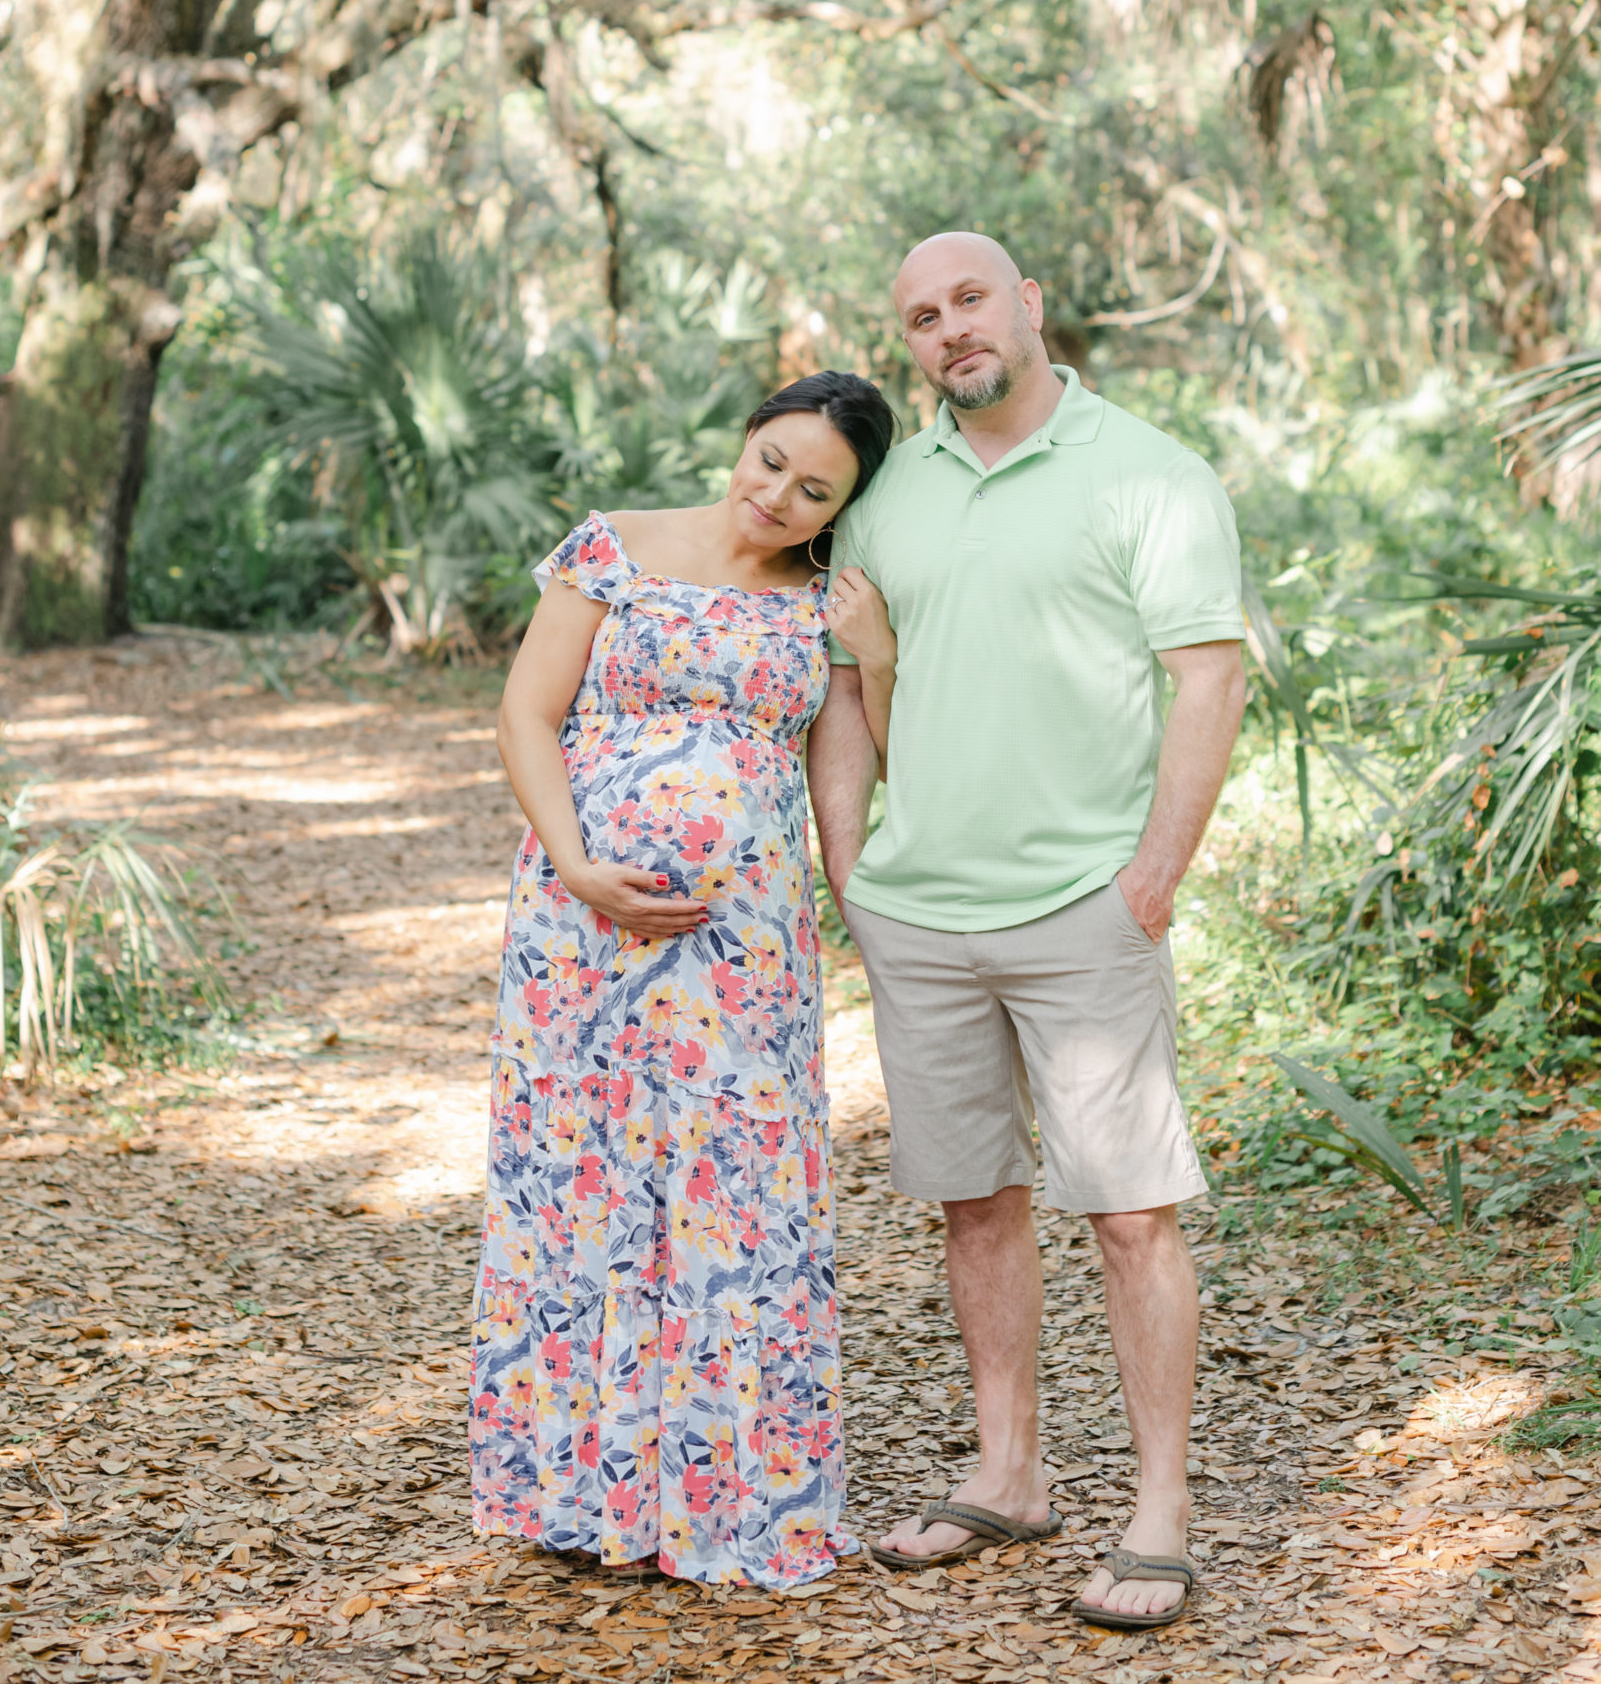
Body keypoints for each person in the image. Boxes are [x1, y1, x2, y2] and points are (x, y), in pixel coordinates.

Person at [816, 233, 1245, 1634]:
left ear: (1031, 305)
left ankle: (1160, 1510)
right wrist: (851, 878)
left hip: (1083, 908)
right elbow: (845, 699)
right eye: (920, 317)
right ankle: (1008, 1472)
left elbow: (1204, 679)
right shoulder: (883, 502)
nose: (949, 331)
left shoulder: (1151, 476)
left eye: (970, 301)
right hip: (920, 912)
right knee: (974, 1202)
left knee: (1127, 1213)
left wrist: (1153, 874)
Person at [472, 371, 897, 1590]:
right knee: (582, 1179)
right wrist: (579, 866)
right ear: (745, 440)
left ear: (839, 509)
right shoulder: (612, 546)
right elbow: (524, 712)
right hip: (579, 931)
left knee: (732, 1191)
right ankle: (579, 1489)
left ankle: (733, 1496)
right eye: (770, 460)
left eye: (813, 490)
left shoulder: (822, 606)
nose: (776, 495)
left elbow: (844, 787)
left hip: (743, 950)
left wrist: (870, 667)